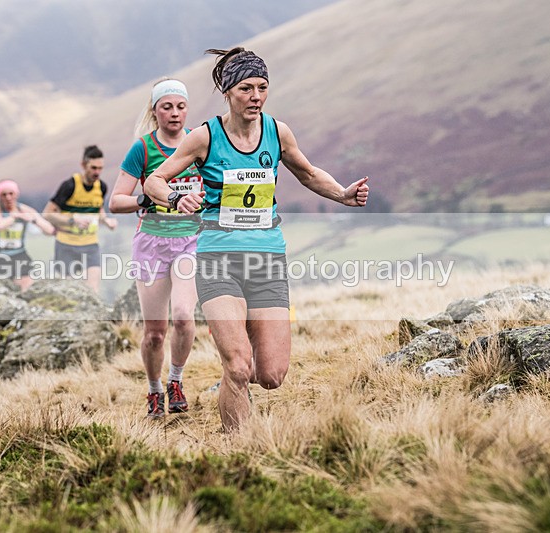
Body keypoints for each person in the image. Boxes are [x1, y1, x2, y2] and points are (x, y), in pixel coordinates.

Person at [143, 48, 370, 431]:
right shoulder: (204, 137)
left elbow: (308, 173)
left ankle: (238, 357)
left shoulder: (277, 132)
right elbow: (154, 180)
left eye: (262, 87)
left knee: (271, 375)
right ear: (228, 92)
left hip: (267, 261)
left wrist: (343, 194)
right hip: (218, 259)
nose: (256, 96)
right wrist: (177, 199)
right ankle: (238, 446)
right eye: (246, 88)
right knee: (237, 366)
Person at [109, 78, 202, 419]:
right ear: (155, 111)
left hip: (190, 241)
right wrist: (144, 200)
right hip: (151, 243)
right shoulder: (143, 149)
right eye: (167, 107)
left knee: (184, 316)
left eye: (180, 106)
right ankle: (154, 389)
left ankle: (176, 381)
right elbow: (115, 201)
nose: (174, 113)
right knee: (154, 334)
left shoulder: (198, 143)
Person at [43, 145, 118, 293]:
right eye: (93, 168)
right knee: (67, 291)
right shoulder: (69, 186)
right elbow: (47, 214)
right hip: (66, 244)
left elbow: (98, 209)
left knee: (93, 290)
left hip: (90, 244)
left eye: (100, 168)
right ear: (83, 165)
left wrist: (106, 221)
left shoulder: (101, 187)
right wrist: (72, 221)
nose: (97, 172)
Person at [0, 178, 55, 292]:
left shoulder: (23, 209)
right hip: (1, 257)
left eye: (11, 193)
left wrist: (34, 220)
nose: (8, 197)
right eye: (4, 195)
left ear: (17, 194)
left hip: (20, 255)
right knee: (4, 293)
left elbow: (49, 230)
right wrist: (15, 217)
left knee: (26, 290)